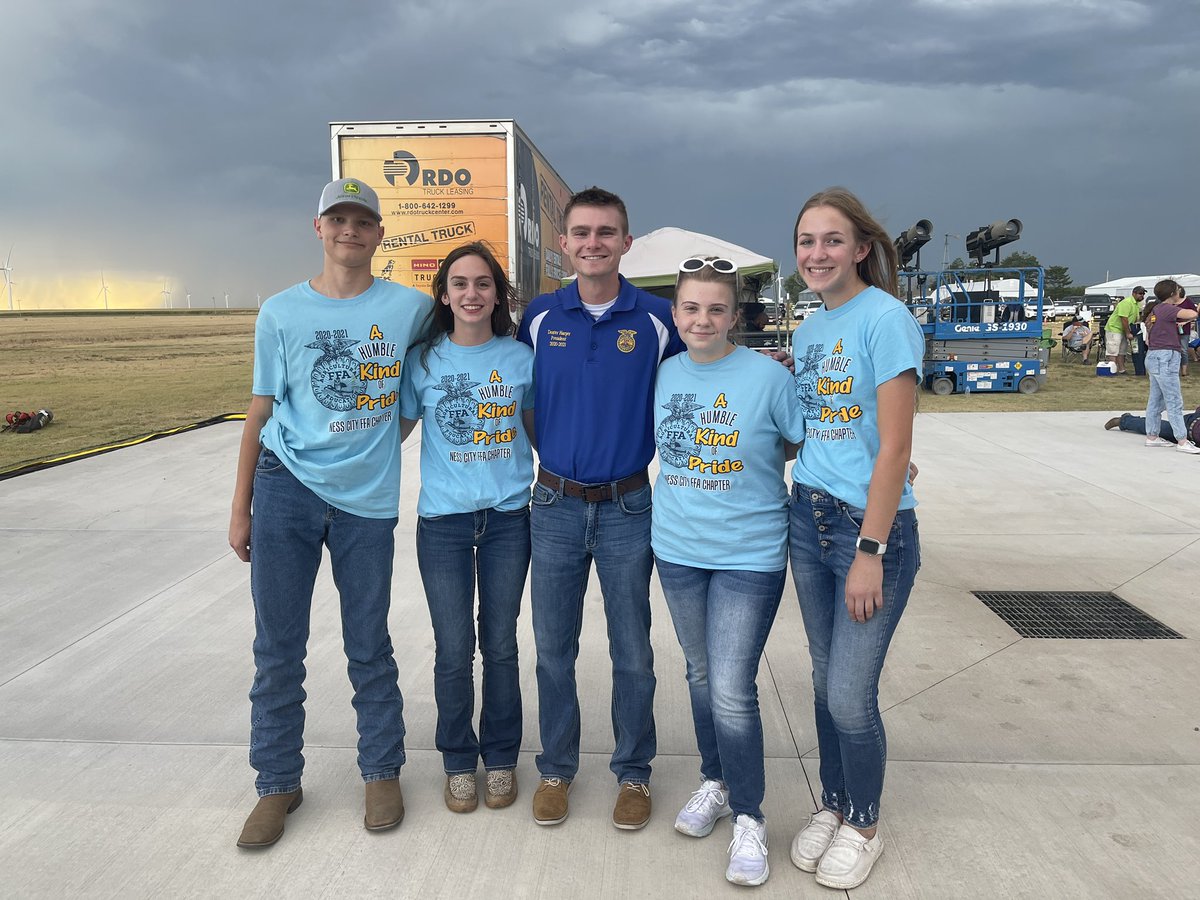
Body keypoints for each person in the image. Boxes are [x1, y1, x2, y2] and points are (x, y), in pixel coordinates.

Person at [228, 178, 432, 848]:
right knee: (277, 647)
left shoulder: (409, 309)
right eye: (337, 219)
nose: (350, 230)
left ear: (379, 233)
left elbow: (412, 398)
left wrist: (370, 450)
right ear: (317, 228)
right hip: (284, 488)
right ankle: (277, 783)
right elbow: (261, 409)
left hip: (365, 504)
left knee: (368, 642)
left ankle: (381, 771)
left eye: (362, 220)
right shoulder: (280, 313)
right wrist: (242, 508)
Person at [517, 187, 685, 830]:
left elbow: (704, 374)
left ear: (626, 242)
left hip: (628, 505)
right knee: (553, 648)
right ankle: (556, 769)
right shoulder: (539, 317)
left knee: (632, 651)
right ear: (563, 243)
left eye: (606, 232)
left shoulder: (656, 318)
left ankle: (634, 773)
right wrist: (555, 456)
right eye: (581, 232)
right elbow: (522, 393)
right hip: (554, 504)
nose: (593, 243)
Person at [785, 187, 925, 890]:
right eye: (807, 241)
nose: (816, 254)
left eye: (831, 240)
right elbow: (823, 427)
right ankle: (834, 803)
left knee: (849, 693)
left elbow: (895, 447)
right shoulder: (811, 327)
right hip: (806, 517)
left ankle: (864, 822)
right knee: (821, 677)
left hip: (867, 533)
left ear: (862, 248)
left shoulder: (886, 320)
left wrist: (869, 551)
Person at [652, 256, 805, 885]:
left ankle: (749, 816)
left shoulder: (767, 379)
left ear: (735, 316)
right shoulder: (662, 376)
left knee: (732, 688)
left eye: (716, 308)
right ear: (677, 313)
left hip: (750, 553)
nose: (702, 319)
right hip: (678, 549)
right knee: (699, 672)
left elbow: (807, 442)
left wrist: (886, 463)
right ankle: (713, 781)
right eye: (691, 308)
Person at [399, 242, 535, 814]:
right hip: (444, 526)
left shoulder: (521, 358)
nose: (472, 294)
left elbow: (545, 435)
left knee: (499, 646)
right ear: (445, 293)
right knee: (453, 649)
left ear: (498, 294)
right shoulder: (424, 361)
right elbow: (394, 433)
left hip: (508, 520)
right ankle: (458, 759)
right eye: (460, 284)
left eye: (483, 284)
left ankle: (500, 756)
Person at [1140, 279, 1200, 454]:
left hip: (1156, 356)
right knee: (1174, 399)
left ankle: (1152, 436)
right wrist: (1185, 303)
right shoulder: (1167, 309)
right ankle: (1182, 440)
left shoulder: (1158, 309)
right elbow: (1192, 314)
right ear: (1173, 294)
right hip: (1165, 357)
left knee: (1156, 400)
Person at [1105, 286, 1144, 375]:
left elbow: (1134, 319)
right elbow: (1124, 318)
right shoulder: (1126, 303)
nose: (1142, 296)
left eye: (1143, 294)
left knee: (1122, 351)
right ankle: (1112, 370)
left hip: (1123, 330)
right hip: (1114, 329)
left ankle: (1122, 370)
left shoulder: (1136, 304)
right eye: (1140, 294)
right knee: (1113, 350)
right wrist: (1128, 333)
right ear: (1133, 293)